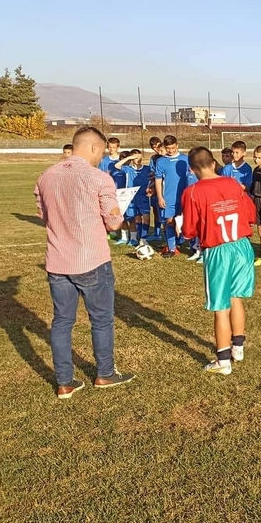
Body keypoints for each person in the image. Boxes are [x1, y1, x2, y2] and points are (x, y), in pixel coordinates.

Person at [34, 126, 136, 399]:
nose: (100, 157)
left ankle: (64, 381)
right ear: (93, 147)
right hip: (91, 258)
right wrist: (118, 216)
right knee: (101, 320)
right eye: (101, 151)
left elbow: (43, 215)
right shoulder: (98, 178)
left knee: (62, 321)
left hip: (57, 260)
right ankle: (105, 373)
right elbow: (114, 223)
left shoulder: (46, 177)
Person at [181, 147, 257, 375]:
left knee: (220, 306)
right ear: (214, 163)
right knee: (236, 298)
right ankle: (238, 347)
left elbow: (189, 230)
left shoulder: (193, 192)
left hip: (218, 250)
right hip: (242, 246)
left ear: (193, 170)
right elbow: (251, 215)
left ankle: (223, 360)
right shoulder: (233, 184)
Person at [153, 134, 190, 258]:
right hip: (168, 197)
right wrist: (160, 197)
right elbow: (158, 180)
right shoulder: (161, 161)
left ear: (177, 146)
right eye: (168, 148)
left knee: (187, 221)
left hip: (185, 196)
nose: (170, 150)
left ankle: (192, 246)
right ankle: (172, 248)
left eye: (173, 148)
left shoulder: (185, 159)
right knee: (169, 222)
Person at [116, 149, 153, 246]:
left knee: (146, 218)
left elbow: (155, 177)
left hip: (143, 197)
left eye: (139, 157)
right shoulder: (128, 169)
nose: (138, 159)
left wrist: (150, 186)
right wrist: (129, 157)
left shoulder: (147, 168)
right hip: (132, 197)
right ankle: (139, 238)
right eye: (136, 157)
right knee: (137, 219)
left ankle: (144, 238)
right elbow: (117, 165)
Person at [147, 136, 164, 240]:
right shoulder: (153, 158)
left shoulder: (166, 157)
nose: (156, 149)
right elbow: (152, 173)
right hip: (155, 186)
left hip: (165, 187)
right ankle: (157, 233)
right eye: (154, 147)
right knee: (155, 210)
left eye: (158, 147)